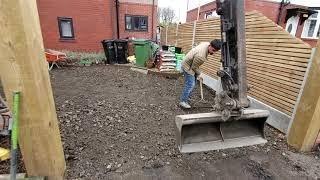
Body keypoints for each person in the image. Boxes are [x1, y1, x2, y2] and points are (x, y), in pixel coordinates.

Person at [179, 39, 222, 109]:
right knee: (190, 84)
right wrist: (200, 74)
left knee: (194, 82)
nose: (214, 52)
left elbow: (199, 44)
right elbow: (194, 67)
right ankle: (183, 101)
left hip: (192, 63)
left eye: (216, 51)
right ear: (210, 46)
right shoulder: (201, 56)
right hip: (187, 66)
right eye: (213, 50)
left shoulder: (206, 43)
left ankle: (187, 97)